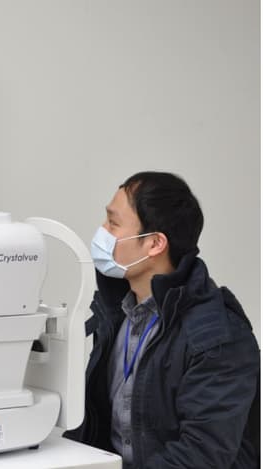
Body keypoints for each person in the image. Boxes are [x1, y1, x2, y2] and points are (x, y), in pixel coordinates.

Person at [65, 171, 259, 468]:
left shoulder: (218, 335)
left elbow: (202, 455)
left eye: (113, 223)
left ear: (154, 244)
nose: (101, 232)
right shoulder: (116, 313)